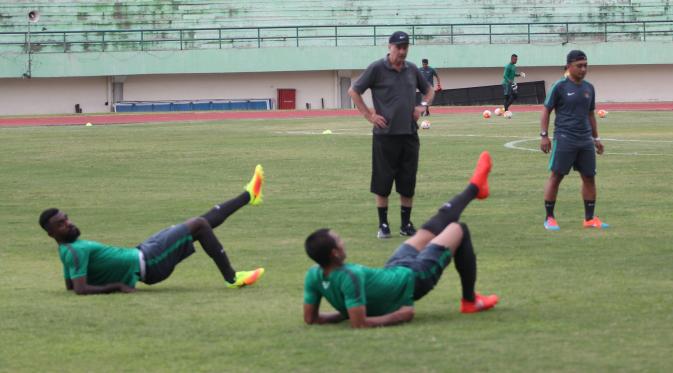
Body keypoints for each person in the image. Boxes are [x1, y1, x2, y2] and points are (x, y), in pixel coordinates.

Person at [303, 152, 499, 328]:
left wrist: (345, 311)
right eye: (339, 240)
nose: (343, 241)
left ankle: (474, 187)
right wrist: (398, 316)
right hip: (415, 278)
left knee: (427, 230)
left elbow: (311, 319)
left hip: (394, 268)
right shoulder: (349, 276)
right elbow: (360, 323)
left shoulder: (314, 275)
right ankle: (470, 301)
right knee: (458, 229)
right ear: (335, 253)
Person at [39, 165, 267, 295]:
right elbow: (79, 289)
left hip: (143, 251)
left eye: (66, 219)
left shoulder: (67, 250)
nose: (67, 223)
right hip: (149, 263)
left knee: (200, 224)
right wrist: (117, 286)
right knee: (199, 224)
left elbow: (70, 284)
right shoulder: (73, 251)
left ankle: (249, 195)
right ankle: (232, 278)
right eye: (60, 224)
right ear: (51, 234)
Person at [348, 31, 435, 239]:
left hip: (409, 134)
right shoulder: (377, 68)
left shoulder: (412, 69)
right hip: (385, 136)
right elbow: (354, 91)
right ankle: (383, 225)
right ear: (390, 47)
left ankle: (406, 225)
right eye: (399, 47)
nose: (402, 51)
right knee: (383, 182)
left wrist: (421, 107)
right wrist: (369, 115)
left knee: (407, 181)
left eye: (405, 47)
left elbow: (429, 91)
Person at [540, 50, 608, 231]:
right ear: (569, 66)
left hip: (585, 140)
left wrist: (596, 138)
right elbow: (546, 110)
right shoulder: (559, 86)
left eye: (585, 65)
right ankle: (549, 218)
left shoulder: (589, 88)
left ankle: (589, 218)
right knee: (556, 176)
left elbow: (591, 114)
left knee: (589, 177)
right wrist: (544, 136)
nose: (583, 69)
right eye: (579, 66)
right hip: (564, 138)